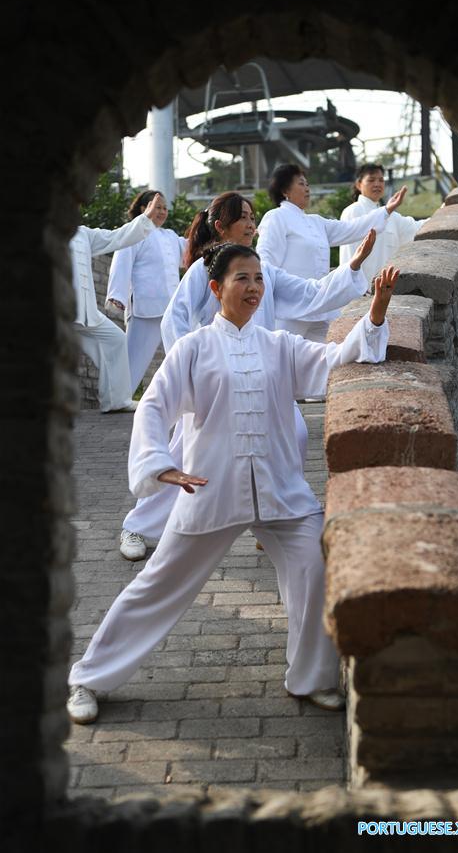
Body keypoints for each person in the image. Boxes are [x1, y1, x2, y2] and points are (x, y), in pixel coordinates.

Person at [66, 242, 400, 725]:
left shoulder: (278, 344)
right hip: (211, 490)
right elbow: (156, 407)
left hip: (281, 491)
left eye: (259, 278)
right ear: (217, 288)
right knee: (156, 586)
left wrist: (377, 312)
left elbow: (334, 362)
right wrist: (160, 464)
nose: (254, 287)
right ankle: (88, 677)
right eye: (242, 278)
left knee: (312, 566)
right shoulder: (194, 348)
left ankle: (311, 677)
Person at [119, 191, 379, 561]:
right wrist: (194, 371)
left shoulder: (265, 271)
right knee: (183, 458)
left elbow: (311, 294)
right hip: (214, 385)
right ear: (221, 225)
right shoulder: (204, 270)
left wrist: (351, 266)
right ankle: (138, 526)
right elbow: (173, 319)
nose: (252, 224)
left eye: (254, 217)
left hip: (261, 376)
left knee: (296, 431)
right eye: (244, 217)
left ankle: (272, 520)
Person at [255, 163, 408, 341]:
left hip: (321, 307)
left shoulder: (316, 222)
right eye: (301, 184)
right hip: (290, 309)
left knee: (320, 364)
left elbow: (352, 228)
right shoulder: (276, 217)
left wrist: (386, 209)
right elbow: (265, 262)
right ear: (284, 190)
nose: (307, 188)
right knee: (284, 361)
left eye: (307, 184)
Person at [71, 193, 162, 413]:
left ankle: (115, 400)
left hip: (85, 312)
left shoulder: (83, 234)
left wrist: (146, 218)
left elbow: (117, 237)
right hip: (55, 310)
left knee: (115, 340)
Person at [105, 190, 187, 394]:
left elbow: (190, 252)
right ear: (144, 208)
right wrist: (117, 294)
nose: (162, 211)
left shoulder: (170, 237)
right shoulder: (134, 232)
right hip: (145, 307)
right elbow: (121, 262)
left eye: (164, 208)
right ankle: (117, 398)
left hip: (171, 308)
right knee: (133, 359)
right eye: (157, 207)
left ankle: (186, 398)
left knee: (182, 354)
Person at [339, 163, 428, 285]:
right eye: (371, 180)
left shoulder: (391, 217)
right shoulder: (353, 211)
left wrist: (444, 212)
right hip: (360, 293)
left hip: (386, 291)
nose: (377, 184)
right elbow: (348, 255)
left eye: (381, 180)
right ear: (359, 184)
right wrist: (353, 286)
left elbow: (418, 228)